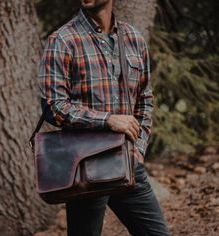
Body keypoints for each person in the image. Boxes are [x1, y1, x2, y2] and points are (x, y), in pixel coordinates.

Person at [38, 0, 170, 235]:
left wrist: (138, 149)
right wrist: (108, 120)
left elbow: (145, 99)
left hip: (128, 162)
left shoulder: (133, 38)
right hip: (85, 166)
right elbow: (53, 107)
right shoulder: (62, 40)